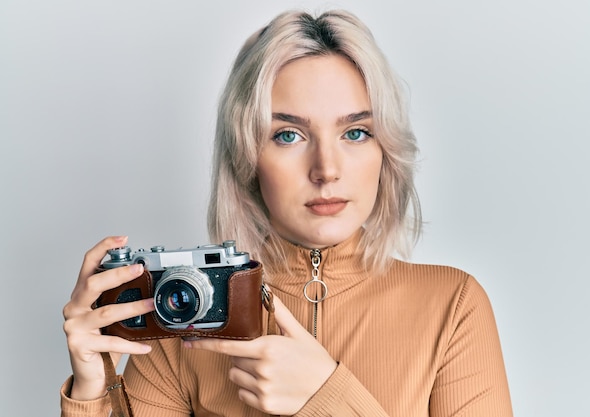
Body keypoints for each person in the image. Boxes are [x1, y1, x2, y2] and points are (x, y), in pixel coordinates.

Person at [61, 9, 513, 417]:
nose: (326, 170)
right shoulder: (181, 319)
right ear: (246, 156)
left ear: (385, 149)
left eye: (355, 132)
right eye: (288, 136)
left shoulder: (453, 306)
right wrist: (91, 391)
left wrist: (328, 396)